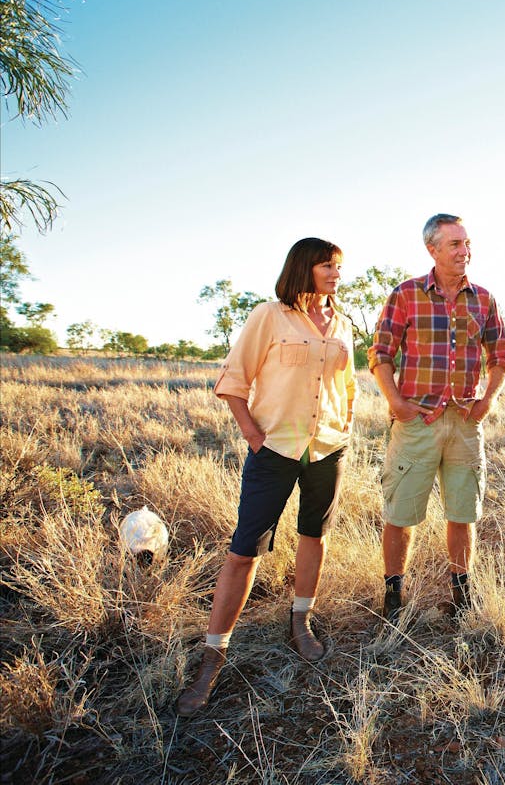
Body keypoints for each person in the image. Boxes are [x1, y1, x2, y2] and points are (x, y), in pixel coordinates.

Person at [175, 237, 356, 717]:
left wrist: (344, 429)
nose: (336, 273)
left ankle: (300, 622)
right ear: (303, 268)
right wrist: (255, 437)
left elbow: (349, 385)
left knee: (313, 536)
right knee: (243, 552)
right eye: (327, 266)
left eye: (339, 266)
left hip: (326, 450)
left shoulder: (342, 322)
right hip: (274, 449)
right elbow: (233, 380)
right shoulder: (268, 316)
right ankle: (214, 655)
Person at [369, 213, 505, 623]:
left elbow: (499, 357)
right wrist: (397, 403)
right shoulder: (406, 295)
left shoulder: (483, 299)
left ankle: (460, 597)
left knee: (463, 513)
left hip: (465, 425)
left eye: (467, 243)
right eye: (455, 245)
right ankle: (393, 596)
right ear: (432, 249)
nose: (465, 251)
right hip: (417, 423)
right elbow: (380, 354)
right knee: (401, 514)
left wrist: (487, 400)